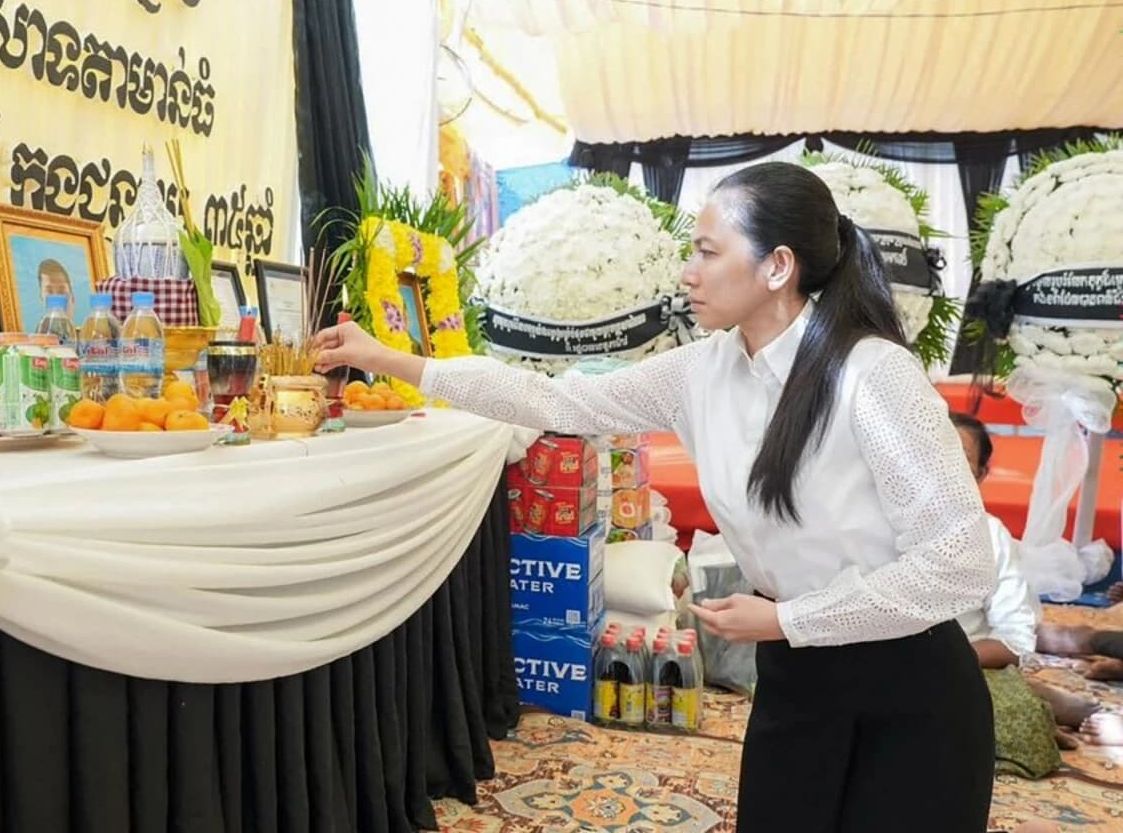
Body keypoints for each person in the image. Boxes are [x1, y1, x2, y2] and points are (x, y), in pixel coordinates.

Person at [313, 162, 997, 832]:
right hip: (795, 676)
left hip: (907, 686)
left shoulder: (874, 375)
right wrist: (391, 359)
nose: (687, 273)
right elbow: (553, 397)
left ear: (777, 266)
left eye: (707, 251)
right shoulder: (702, 371)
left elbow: (961, 560)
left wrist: (789, 620)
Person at [950, 412, 1096, 758]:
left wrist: (947, 658)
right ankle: (1039, 707)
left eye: (959, 463)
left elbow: (1015, 640)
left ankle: (1036, 710)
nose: (942, 474)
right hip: (885, 671)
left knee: (1023, 732)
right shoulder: (871, 524)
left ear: (981, 474)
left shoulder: (990, 536)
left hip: (960, 667)